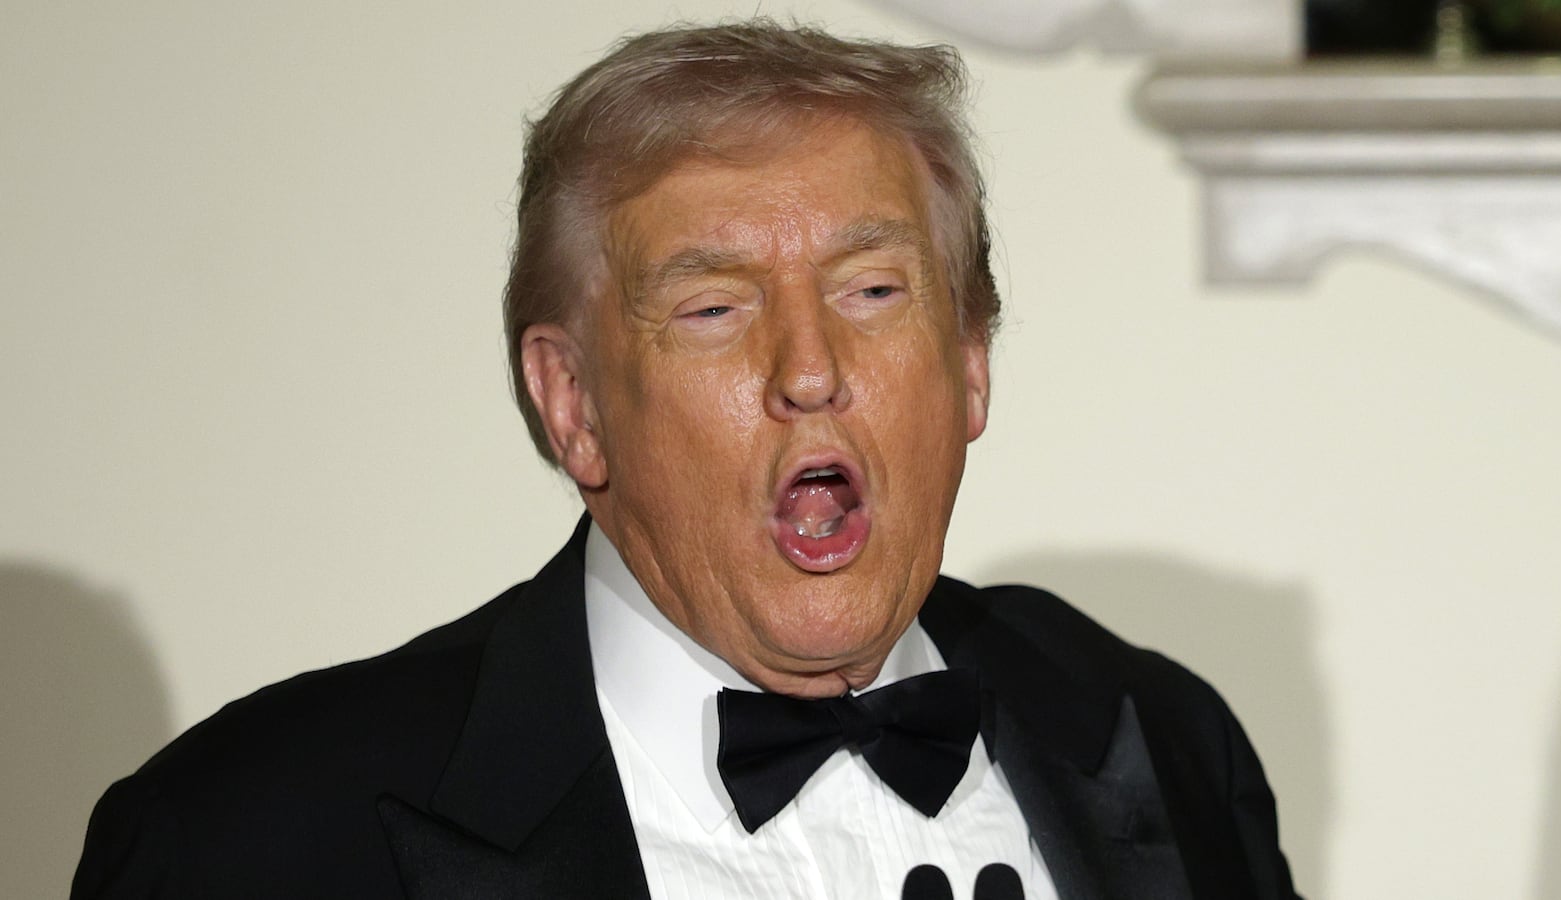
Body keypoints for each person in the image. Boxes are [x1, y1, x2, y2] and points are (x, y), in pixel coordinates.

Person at [73, 20, 1299, 900]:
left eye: (873, 289)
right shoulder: (249, 837)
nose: (808, 368)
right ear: (573, 404)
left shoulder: (1156, 732)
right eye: (712, 308)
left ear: (969, 360)